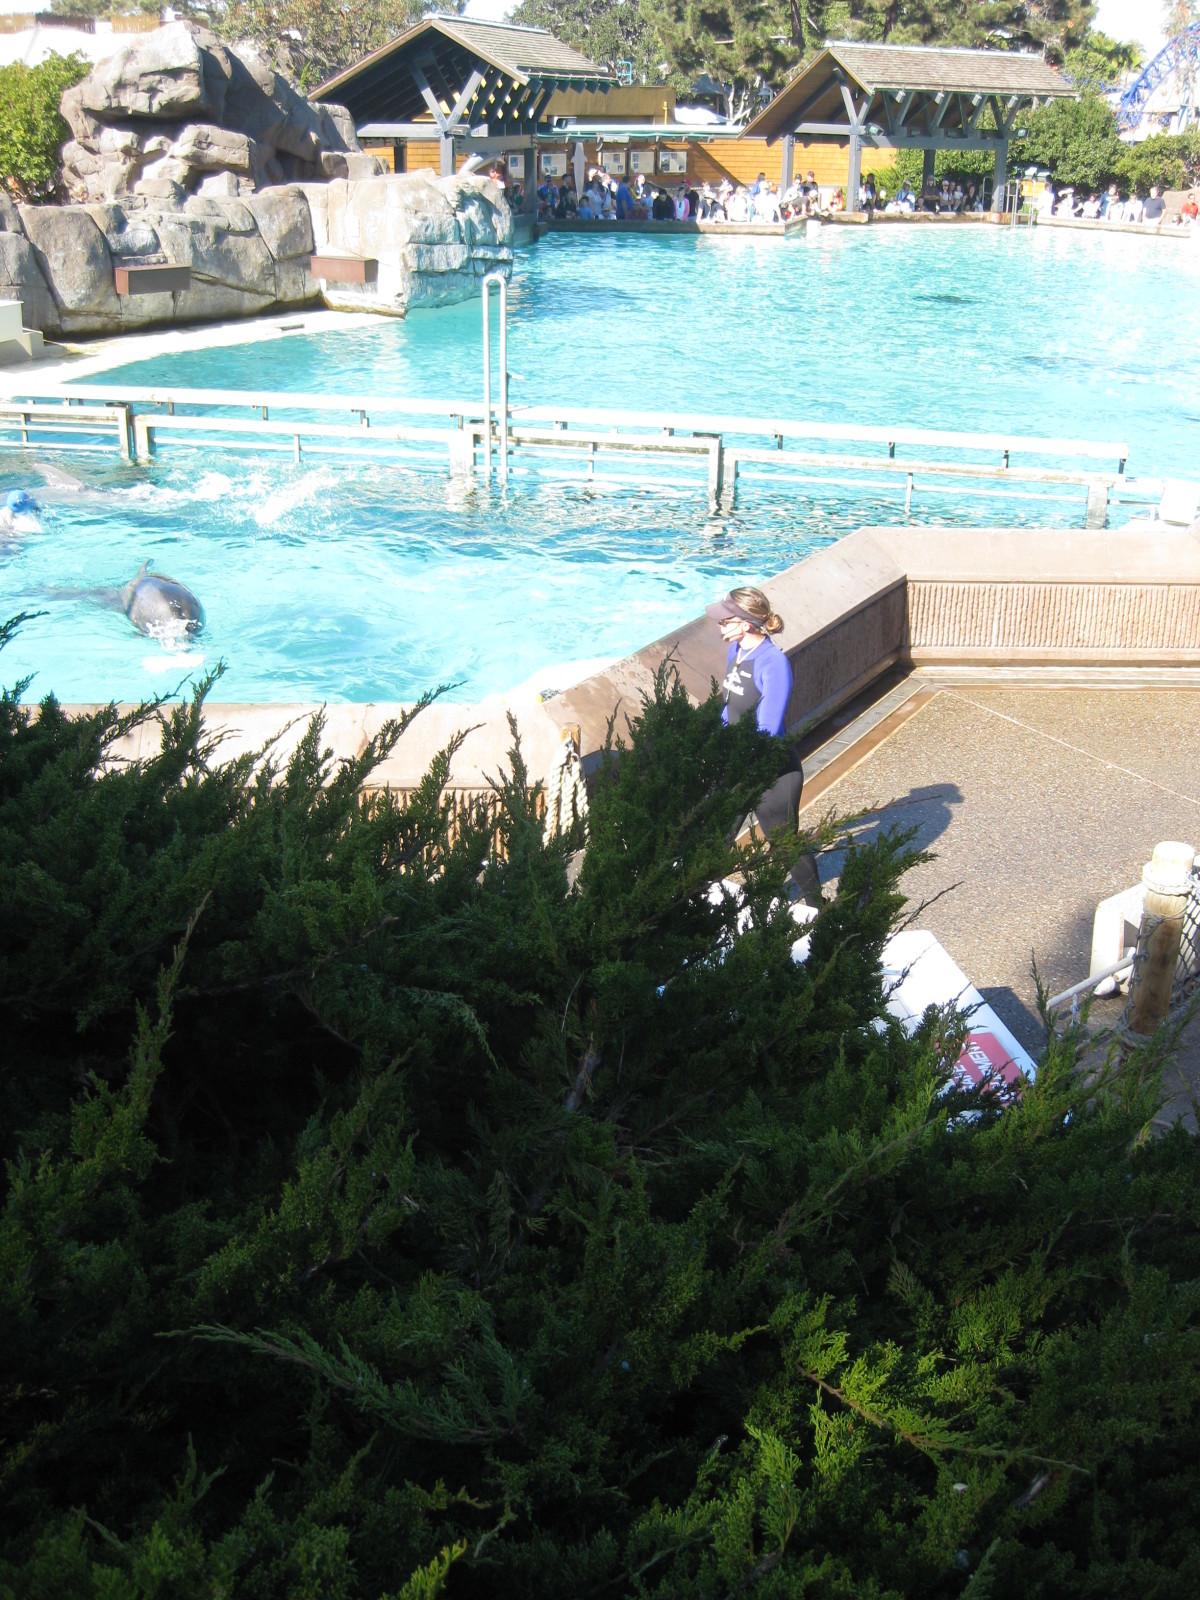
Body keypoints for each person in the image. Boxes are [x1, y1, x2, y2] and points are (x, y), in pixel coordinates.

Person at [705, 587, 821, 905]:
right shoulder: (736, 650)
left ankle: (819, 908)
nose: (719, 625)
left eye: (725, 620)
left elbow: (766, 731)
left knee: (784, 845)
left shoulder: (774, 663)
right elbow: (730, 708)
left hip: (773, 771)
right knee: (716, 835)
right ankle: (695, 906)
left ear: (745, 624)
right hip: (736, 762)